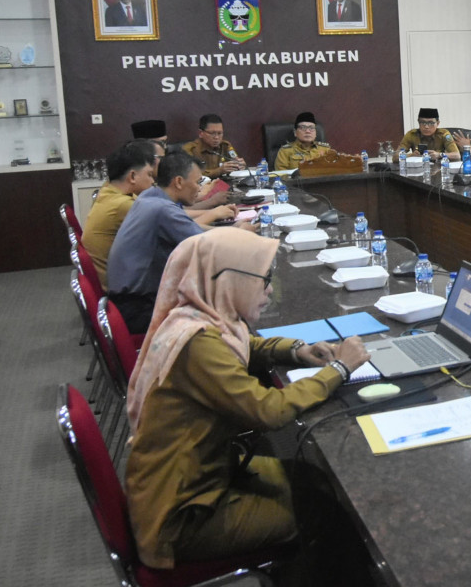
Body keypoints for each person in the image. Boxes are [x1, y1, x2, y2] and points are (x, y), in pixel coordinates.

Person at [124, 228, 371, 582]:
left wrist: (295, 349)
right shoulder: (198, 345)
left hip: (196, 477)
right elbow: (268, 411)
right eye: (263, 279)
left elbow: (243, 347)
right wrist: (339, 369)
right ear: (229, 280)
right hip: (184, 515)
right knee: (327, 510)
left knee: (316, 478)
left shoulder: (197, 317)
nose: (269, 289)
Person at [107, 152, 243, 333]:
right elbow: (207, 245)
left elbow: (191, 229)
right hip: (138, 308)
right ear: (178, 182)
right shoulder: (162, 210)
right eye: (197, 182)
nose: (199, 188)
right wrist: (241, 235)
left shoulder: (149, 196)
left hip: (123, 300)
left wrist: (232, 231)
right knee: (226, 313)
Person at [82, 140, 158, 289]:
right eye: (149, 174)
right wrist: (213, 215)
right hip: (123, 290)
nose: (152, 180)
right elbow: (170, 224)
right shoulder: (122, 205)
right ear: (132, 176)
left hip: (117, 278)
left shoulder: (110, 190)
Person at [181, 114, 246, 178]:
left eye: (220, 133)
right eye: (212, 133)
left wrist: (240, 165)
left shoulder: (226, 146)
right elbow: (189, 174)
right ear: (200, 133)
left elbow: (235, 160)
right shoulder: (189, 149)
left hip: (224, 185)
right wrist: (219, 171)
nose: (216, 137)